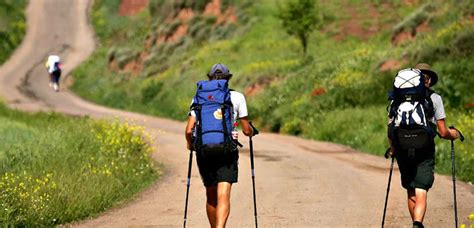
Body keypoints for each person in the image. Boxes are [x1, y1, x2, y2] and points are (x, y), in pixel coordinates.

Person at [388, 63, 460, 228]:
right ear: (427, 81)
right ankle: (418, 224)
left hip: (402, 148)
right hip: (424, 149)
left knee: (411, 190)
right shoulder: (434, 98)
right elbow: (442, 132)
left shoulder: (396, 98)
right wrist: (454, 134)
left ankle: (416, 224)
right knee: (421, 190)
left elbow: (391, 128)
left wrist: (392, 149)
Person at [185, 63, 253, 228]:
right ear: (228, 79)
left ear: (209, 79)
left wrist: (190, 145)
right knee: (224, 194)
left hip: (204, 151)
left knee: (211, 195)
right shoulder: (237, 97)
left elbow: (188, 130)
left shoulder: (199, 97)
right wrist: (251, 131)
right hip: (227, 150)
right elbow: (246, 130)